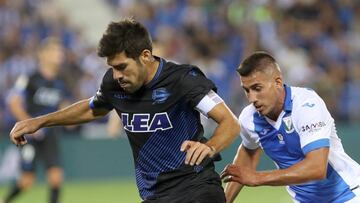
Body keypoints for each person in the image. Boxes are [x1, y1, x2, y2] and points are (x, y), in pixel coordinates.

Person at [9, 18, 240, 203]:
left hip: (196, 187)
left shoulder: (183, 79)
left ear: (146, 56)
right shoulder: (113, 83)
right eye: (112, 67)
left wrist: (209, 146)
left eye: (122, 67)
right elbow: (93, 109)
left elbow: (230, 122)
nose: (117, 75)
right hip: (154, 195)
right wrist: (39, 121)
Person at [221, 51, 360, 203]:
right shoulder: (249, 119)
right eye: (247, 90)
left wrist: (258, 177)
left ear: (278, 82)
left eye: (257, 88)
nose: (252, 98)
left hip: (348, 194)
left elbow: (317, 167)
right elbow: (248, 152)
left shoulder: (307, 105)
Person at [3, 38, 71, 203]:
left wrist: (71, 118)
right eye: (55, 51)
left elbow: (65, 106)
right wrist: (30, 124)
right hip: (30, 136)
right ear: (43, 54)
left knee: (56, 177)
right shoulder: (30, 78)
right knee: (27, 181)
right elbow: (13, 102)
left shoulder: (61, 81)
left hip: (51, 133)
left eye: (60, 51)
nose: (59, 55)